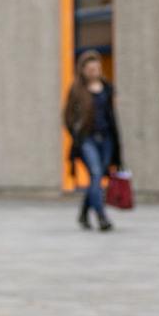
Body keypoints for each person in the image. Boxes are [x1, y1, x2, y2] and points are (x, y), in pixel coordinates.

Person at [63, 50, 123, 232]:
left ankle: (83, 213)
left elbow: (112, 115)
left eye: (96, 68)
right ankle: (101, 216)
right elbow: (68, 116)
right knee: (96, 174)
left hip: (106, 139)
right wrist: (76, 134)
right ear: (83, 70)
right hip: (87, 138)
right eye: (90, 69)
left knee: (98, 177)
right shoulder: (77, 90)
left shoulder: (107, 88)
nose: (94, 71)